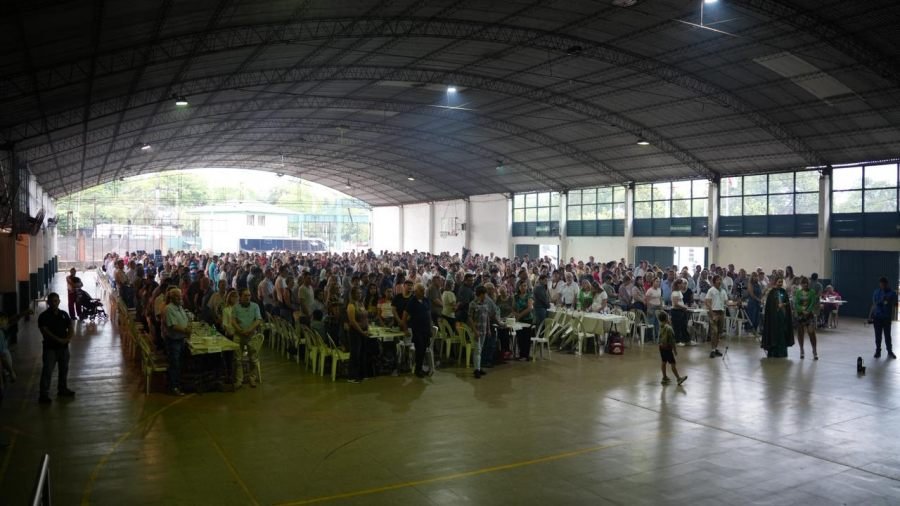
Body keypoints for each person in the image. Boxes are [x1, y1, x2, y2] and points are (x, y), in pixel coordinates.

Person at [37, 293, 75, 403]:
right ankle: (43, 394)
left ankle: (62, 389)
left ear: (59, 301)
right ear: (48, 302)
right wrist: (59, 340)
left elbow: (70, 327)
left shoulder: (64, 314)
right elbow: (45, 331)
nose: (54, 303)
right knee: (47, 371)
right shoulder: (43, 316)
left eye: (56, 301)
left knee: (64, 369)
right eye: (51, 301)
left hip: (64, 348)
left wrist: (68, 338)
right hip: (50, 348)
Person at [232, 289, 263, 388]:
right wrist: (240, 330)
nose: (247, 297)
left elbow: (258, 320)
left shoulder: (255, 306)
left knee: (253, 358)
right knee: (238, 359)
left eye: (249, 295)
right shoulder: (236, 307)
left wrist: (250, 329)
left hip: (251, 335)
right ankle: (239, 380)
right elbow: (233, 320)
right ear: (240, 297)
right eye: (245, 295)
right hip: (238, 335)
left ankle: (252, 379)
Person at [468, 285, 498, 379]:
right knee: (477, 350)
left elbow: (487, 317)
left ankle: (478, 367)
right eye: (484, 294)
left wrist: (488, 329)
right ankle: (476, 370)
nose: (485, 296)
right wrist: (475, 330)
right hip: (476, 330)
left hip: (484, 329)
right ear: (480, 294)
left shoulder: (485, 303)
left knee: (480, 349)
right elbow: (470, 318)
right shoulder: (472, 304)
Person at [164, 288, 191, 396]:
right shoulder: (169, 309)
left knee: (180, 363)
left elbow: (185, 319)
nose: (180, 298)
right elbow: (173, 325)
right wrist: (185, 330)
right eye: (178, 296)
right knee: (175, 364)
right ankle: (174, 386)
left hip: (181, 339)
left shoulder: (179, 307)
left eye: (180, 296)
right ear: (172, 297)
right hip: (173, 340)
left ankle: (179, 384)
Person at [760, 277, 794, 358]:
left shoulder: (783, 291)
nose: (780, 283)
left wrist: (784, 304)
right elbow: (769, 305)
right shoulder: (771, 292)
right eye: (779, 282)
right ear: (775, 282)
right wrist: (776, 306)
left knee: (782, 333)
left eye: (781, 282)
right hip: (773, 317)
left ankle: (782, 352)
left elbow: (787, 302)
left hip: (782, 316)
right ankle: (773, 352)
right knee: (774, 334)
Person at [404, 284, 432, 377]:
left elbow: (429, 314)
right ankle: (417, 369)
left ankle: (420, 368)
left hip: (426, 328)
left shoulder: (426, 300)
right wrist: (405, 329)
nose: (424, 292)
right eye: (422, 290)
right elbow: (405, 316)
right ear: (416, 292)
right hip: (417, 329)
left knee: (424, 349)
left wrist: (431, 326)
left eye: (424, 290)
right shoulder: (412, 301)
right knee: (419, 348)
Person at [870, 276, 898, 359]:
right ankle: (878, 351)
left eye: (884, 285)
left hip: (886, 317)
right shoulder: (876, 292)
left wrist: (889, 300)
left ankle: (890, 351)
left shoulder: (892, 293)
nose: (882, 286)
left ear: (887, 284)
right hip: (877, 317)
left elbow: (895, 303)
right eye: (881, 284)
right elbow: (874, 304)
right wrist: (870, 316)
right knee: (878, 336)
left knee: (887, 336)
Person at [346, 286, 369, 383]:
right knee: (355, 354)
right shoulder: (351, 306)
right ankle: (352, 376)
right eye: (357, 293)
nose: (359, 295)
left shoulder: (361, 303)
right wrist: (361, 331)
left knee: (362, 353)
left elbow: (365, 317)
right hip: (355, 332)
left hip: (364, 331)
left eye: (360, 293)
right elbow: (352, 321)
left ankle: (361, 374)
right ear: (352, 294)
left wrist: (367, 328)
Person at [658, 312, 687, 386]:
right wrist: (675, 350)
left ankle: (664, 377)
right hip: (668, 348)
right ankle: (678, 378)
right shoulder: (669, 328)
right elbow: (672, 341)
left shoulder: (660, 326)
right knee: (673, 363)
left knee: (663, 362)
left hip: (661, 347)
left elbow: (659, 338)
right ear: (667, 318)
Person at [793, 277, 818, 360]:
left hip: (809, 314)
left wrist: (808, 311)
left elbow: (812, 303)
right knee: (800, 333)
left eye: (806, 283)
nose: (805, 284)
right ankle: (801, 350)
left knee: (811, 332)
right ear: (801, 284)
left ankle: (814, 350)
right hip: (801, 315)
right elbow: (796, 303)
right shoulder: (798, 292)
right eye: (803, 283)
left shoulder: (812, 292)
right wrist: (802, 310)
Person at [705, 275, 726, 358]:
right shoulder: (711, 291)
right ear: (714, 281)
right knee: (714, 331)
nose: (719, 281)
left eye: (720, 279)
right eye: (717, 280)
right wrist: (712, 314)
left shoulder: (723, 291)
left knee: (719, 332)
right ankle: (713, 350)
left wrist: (735, 303)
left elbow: (726, 302)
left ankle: (716, 348)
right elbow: (707, 302)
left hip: (721, 312)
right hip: (714, 312)